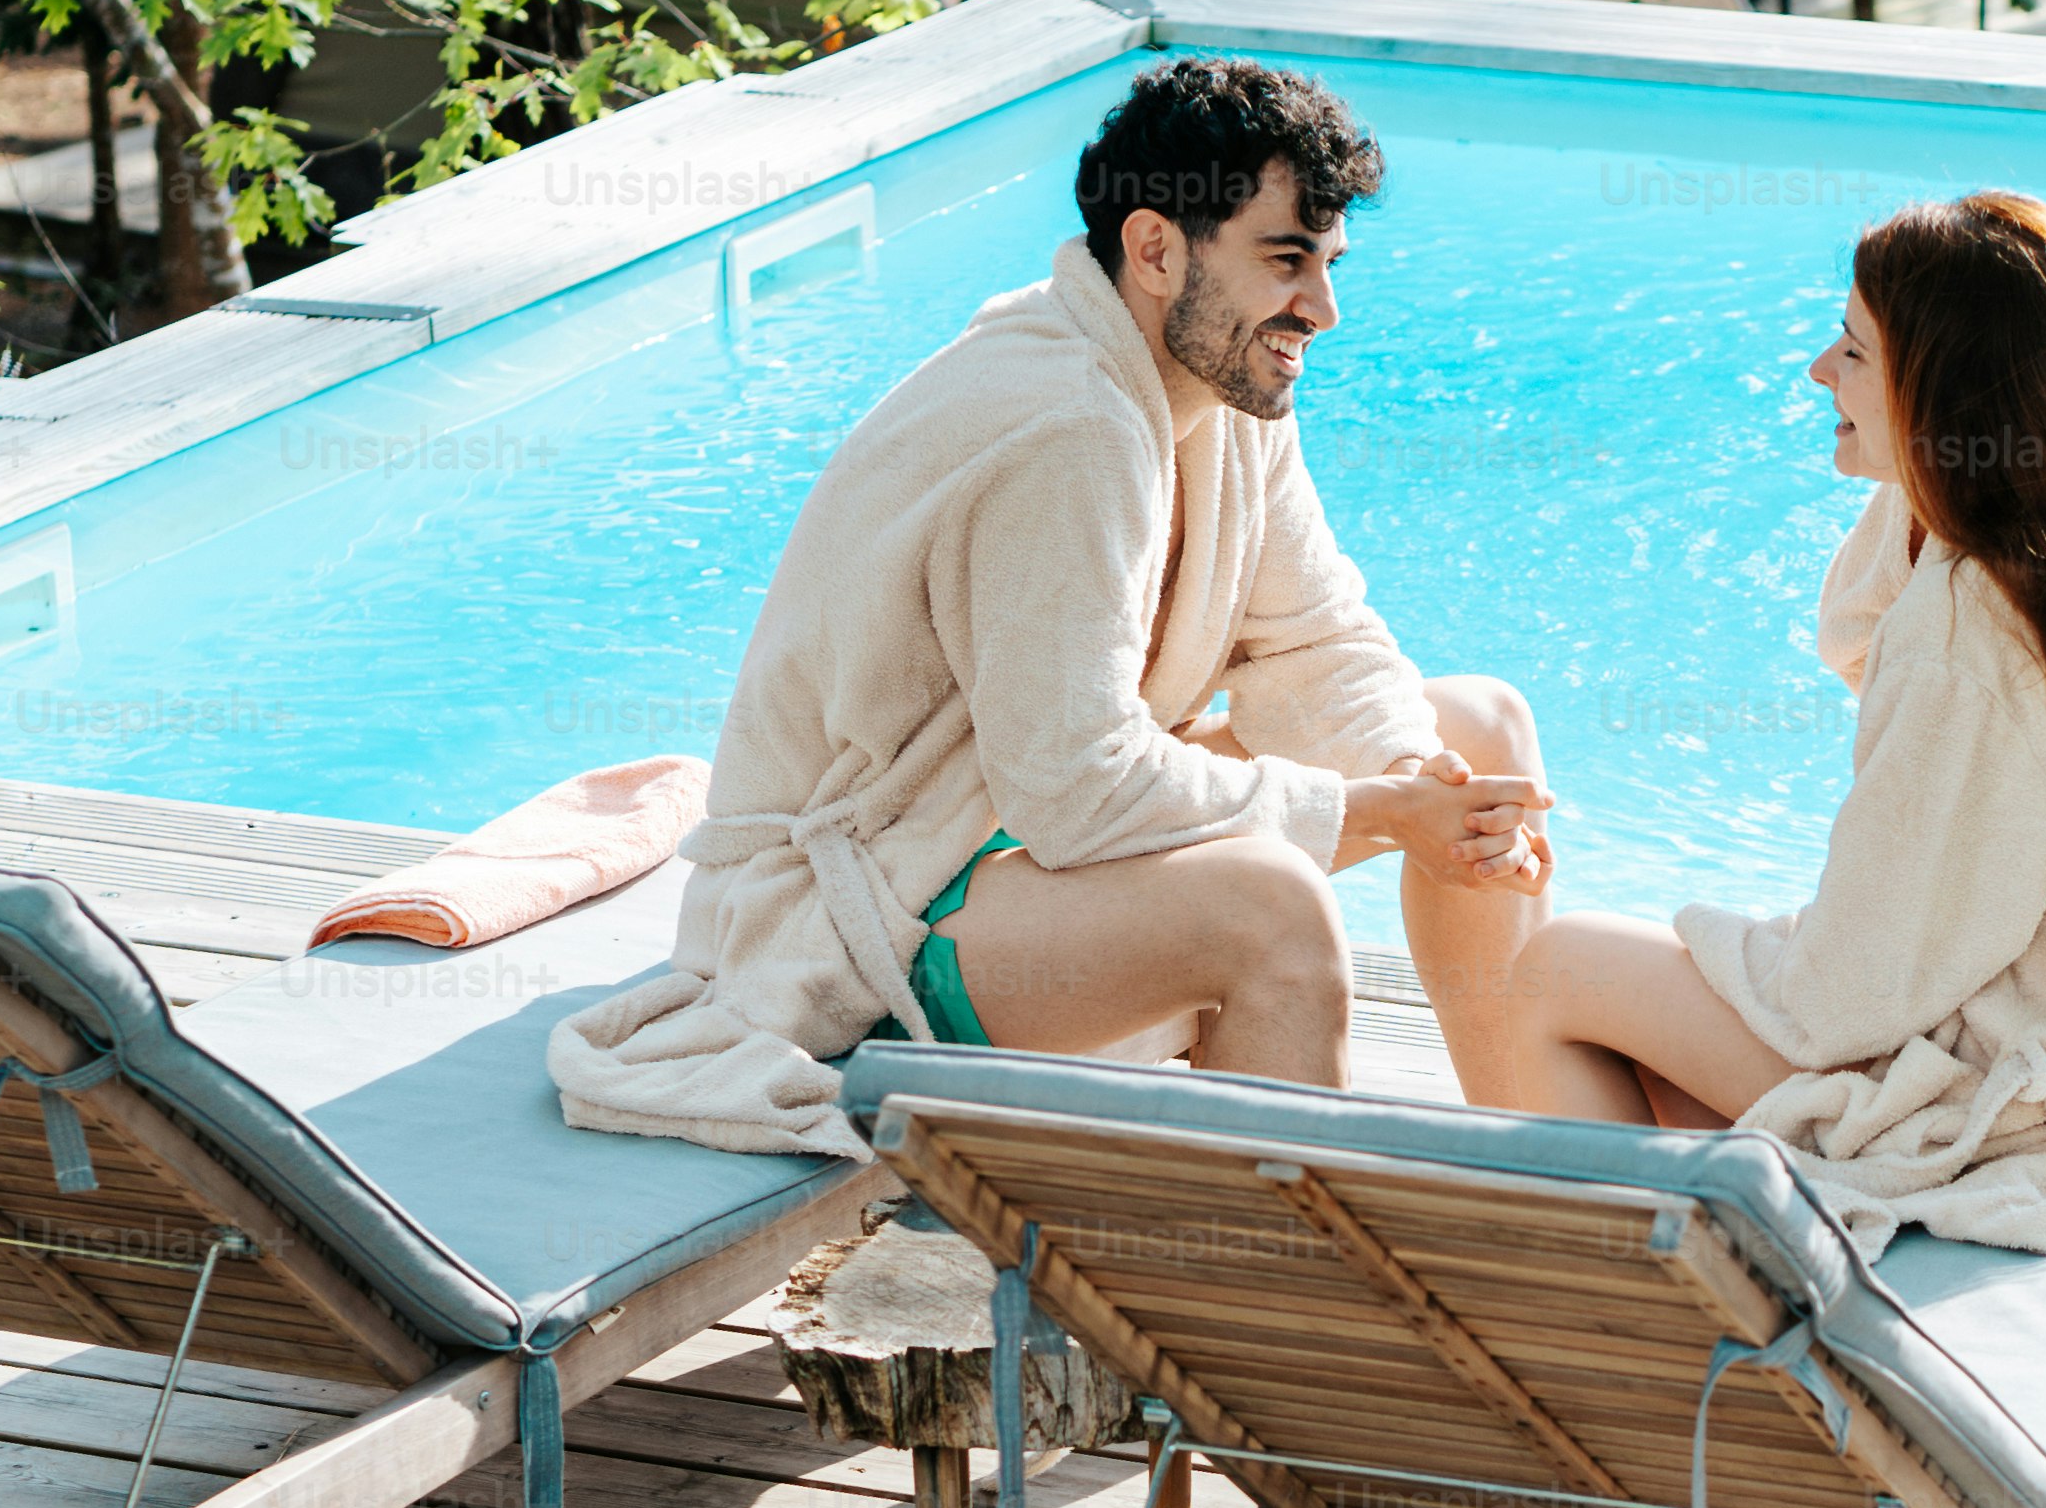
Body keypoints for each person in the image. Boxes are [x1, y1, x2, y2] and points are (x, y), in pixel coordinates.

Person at [553, 57, 1553, 1155]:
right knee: (1273, 906)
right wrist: (1369, 816)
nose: (1321, 307)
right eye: (1286, 260)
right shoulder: (1067, 426)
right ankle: (1264, 1293)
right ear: (1157, 248)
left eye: (1328, 262)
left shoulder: (1224, 392)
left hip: (1020, 851)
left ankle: (1545, 1162)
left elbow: (1316, 637)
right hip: (873, 914)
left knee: (1477, 728)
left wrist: (1415, 779)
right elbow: (1075, 790)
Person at [1445, 187, 2046, 1250]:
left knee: (1558, 970)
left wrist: (1724, 946)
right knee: (1659, 1061)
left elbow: (1850, 995)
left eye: (1853, 351)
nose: (1818, 372)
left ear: (1948, 393)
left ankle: (1606, 1317)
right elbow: (1863, 645)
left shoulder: (1975, 622)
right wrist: (1929, 470)